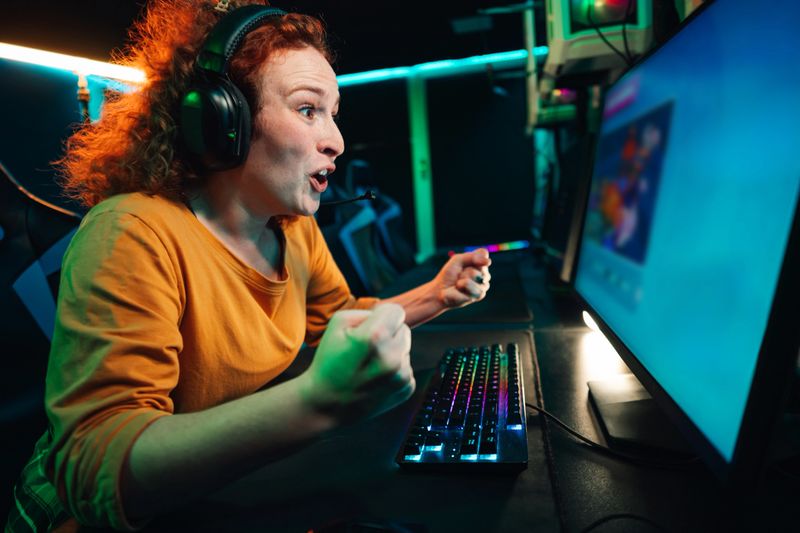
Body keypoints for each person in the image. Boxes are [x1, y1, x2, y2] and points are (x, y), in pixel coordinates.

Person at [6, 1, 491, 531]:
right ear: (222, 120)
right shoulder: (132, 233)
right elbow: (92, 467)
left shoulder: (293, 228)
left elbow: (341, 323)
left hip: (208, 497)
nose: (336, 140)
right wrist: (316, 403)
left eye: (334, 113)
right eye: (309, 110)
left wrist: (435, 295)